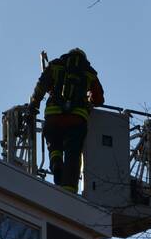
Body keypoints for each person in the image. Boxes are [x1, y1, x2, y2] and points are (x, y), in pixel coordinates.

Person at [28, 48, 104, 193]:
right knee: (73, 154)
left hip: (53, 117)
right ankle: (69, 190)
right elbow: (99, 99)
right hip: (76, 120)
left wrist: (34, 105)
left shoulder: (55, 65)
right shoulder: (90, 73)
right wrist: (88, 100)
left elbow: (40, 86)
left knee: (54, 144)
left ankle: (56, 163)